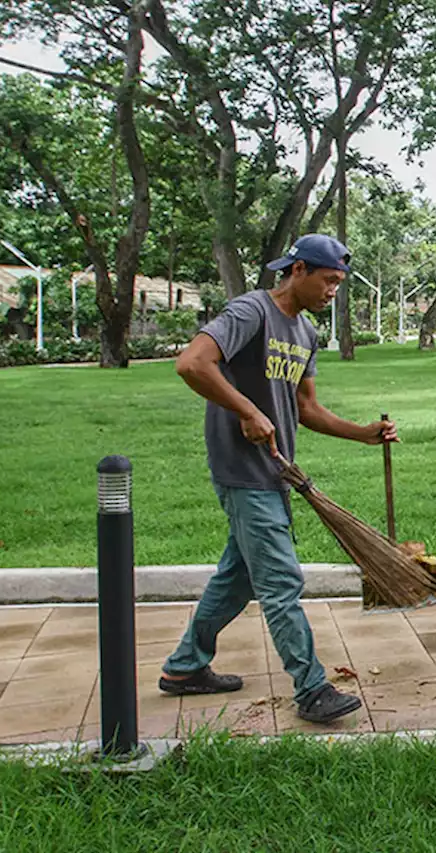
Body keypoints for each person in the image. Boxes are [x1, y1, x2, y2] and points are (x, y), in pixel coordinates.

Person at [159, 234, 397, 724]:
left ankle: (185, 668)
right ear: (298, 271)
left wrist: (363, 435)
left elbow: (305, 407)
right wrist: (246, 410)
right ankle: (311, 689)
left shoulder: (305, 333)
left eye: (339, 284)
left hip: (275, 471)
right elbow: (191, 362)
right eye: (329, 281)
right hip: (243, 470)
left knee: (239, 576)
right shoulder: (251, 312)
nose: (334, 291)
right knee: (282, 580)